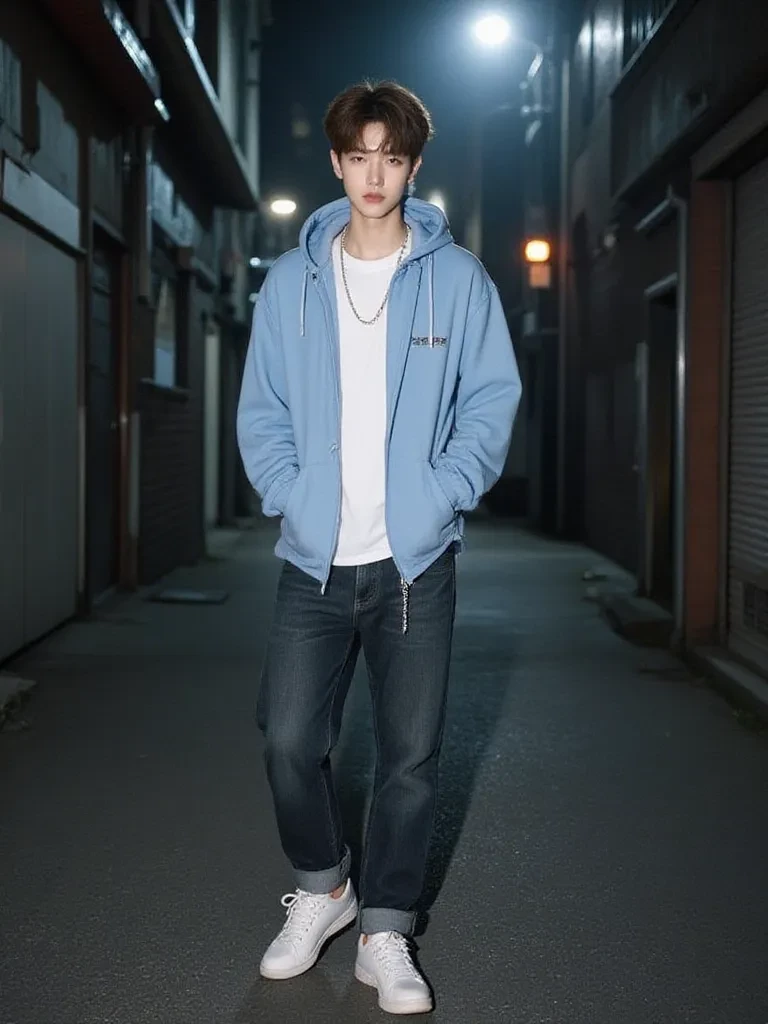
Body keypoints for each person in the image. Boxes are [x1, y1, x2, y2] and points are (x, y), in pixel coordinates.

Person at [237, 80, 521, 1016]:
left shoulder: (458, 279)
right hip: (313, 561)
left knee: (409, 757)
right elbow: (263, 410)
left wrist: (444, 493)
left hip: (413, 566)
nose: (374, 175)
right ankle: (324, 888)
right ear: (335, 163)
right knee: (289, 741)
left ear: (412, 167)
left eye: (391, 158)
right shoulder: (293, 282)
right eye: (359, 156)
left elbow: (489, 401)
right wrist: (291, 495)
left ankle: (385, 931)